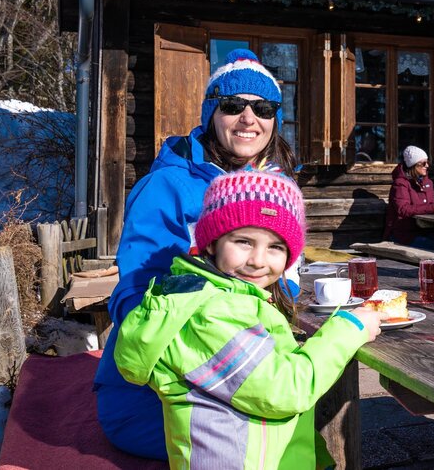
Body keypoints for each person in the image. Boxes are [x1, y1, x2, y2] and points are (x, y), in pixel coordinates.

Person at [95, 48, 298, 460]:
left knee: (295, 407)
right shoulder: (169, 185)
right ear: (210, 114)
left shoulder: (275, 187)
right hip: (160, 391)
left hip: (240, 364)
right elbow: (135, 295)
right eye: (232, 105)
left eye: (263, 107)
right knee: (281, 423)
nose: (248, 118)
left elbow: (285, 278)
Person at [114, 167, 383, 468]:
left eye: (275, 247)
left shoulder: (232, 298)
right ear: (213, 243)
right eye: (244, 242)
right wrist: (350, 328)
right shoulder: (210, 314)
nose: (257, 260)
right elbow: (285, 389)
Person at [383, 145, 434, 251]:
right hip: (403, 234)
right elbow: (403, 209)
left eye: (427, 162)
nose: (427, 166)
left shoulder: (428, 182)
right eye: (423, 163)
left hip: (424, 230)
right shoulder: (401, 184)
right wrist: (432, 208)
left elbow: (431, 204)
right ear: (414, 165)